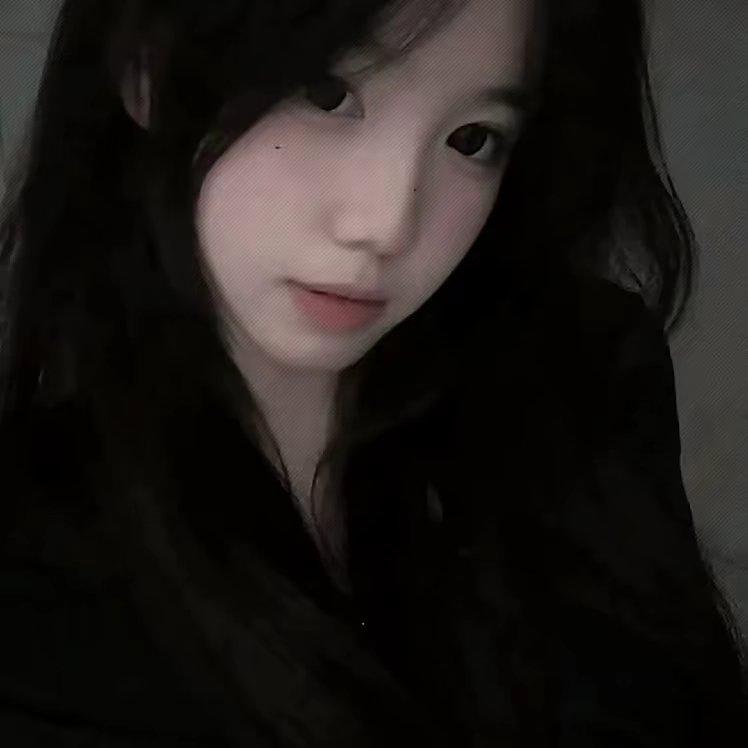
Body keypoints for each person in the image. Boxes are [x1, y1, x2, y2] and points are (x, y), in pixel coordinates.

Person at [0, 0, 745, 745]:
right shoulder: (39, 562)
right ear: (149, 67)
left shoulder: (575, 384)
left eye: (473, 139)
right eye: (326, 94)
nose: (388, 222)